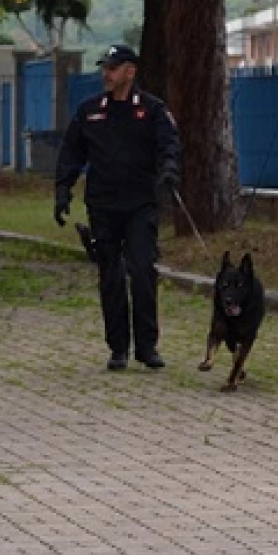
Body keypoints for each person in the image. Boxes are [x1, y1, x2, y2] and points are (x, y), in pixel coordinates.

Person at [55, 45, 180, 371]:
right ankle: (118, 348)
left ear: (130, 71)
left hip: (139, 204)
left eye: (113, 68)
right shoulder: (90, 111)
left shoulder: (152, 110)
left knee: (141, 270)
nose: (106, 74)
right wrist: (63, 190)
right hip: (103, 205)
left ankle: (147, 346)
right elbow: (71, 152)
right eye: (105, 68)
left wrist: (169, 170)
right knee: (110, 276)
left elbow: (169, 144)